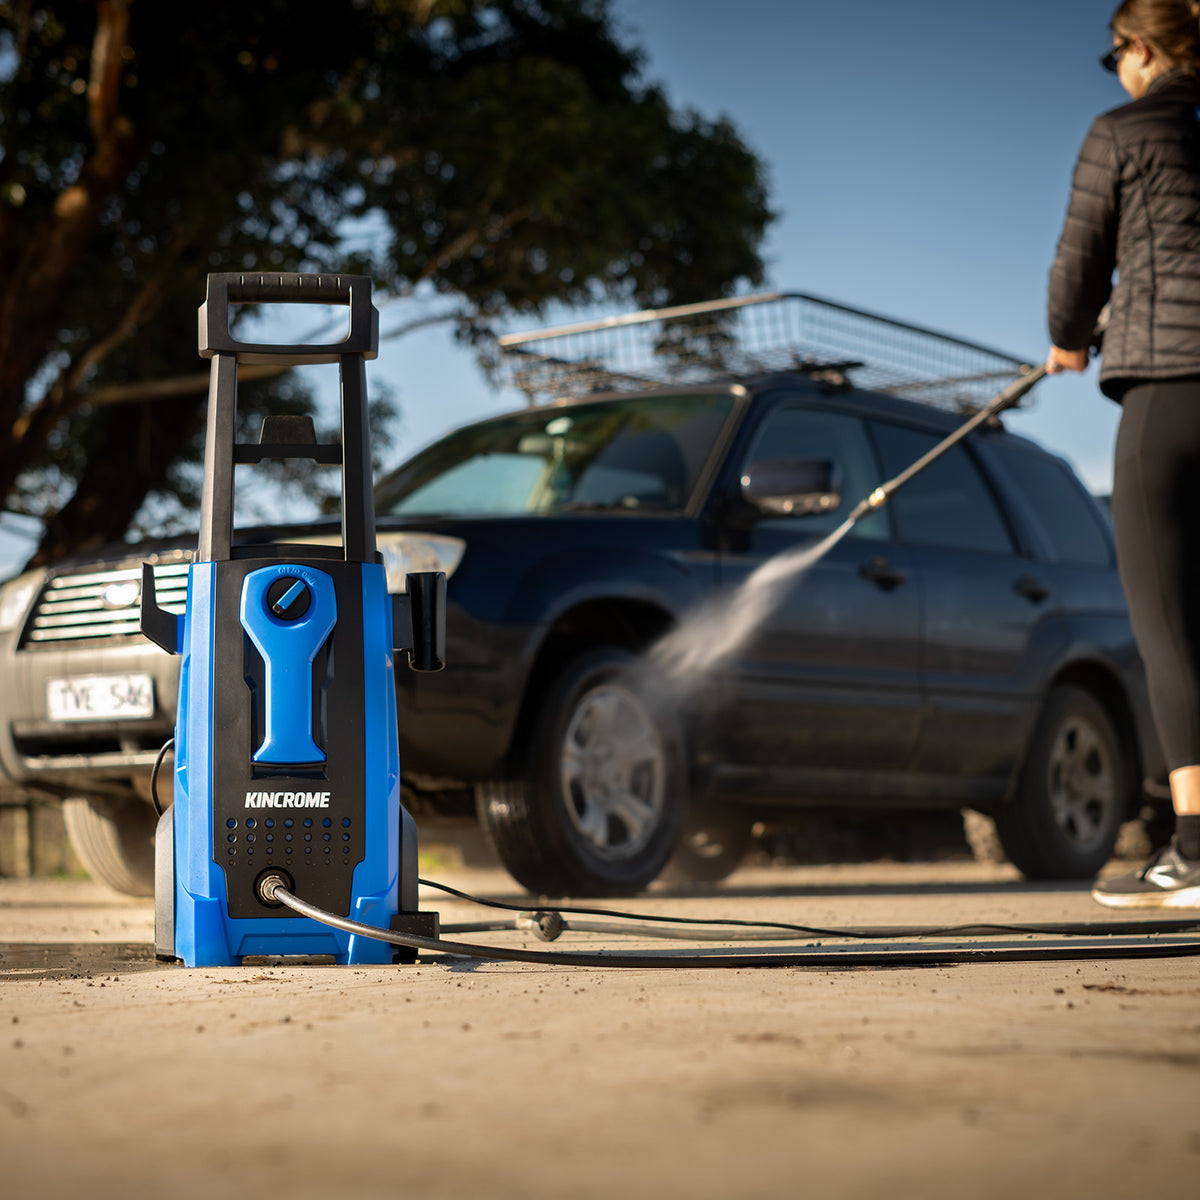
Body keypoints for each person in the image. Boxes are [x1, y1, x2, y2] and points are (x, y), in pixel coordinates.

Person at [1047, 0, 1200, 907]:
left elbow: (1079, 266)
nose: (1119, 73)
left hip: (1170, 395)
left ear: (1138, 50)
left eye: (1117, 59)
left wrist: (1069, 335)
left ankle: (1195, 850)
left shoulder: (1125, 130)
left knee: (1174, 627)